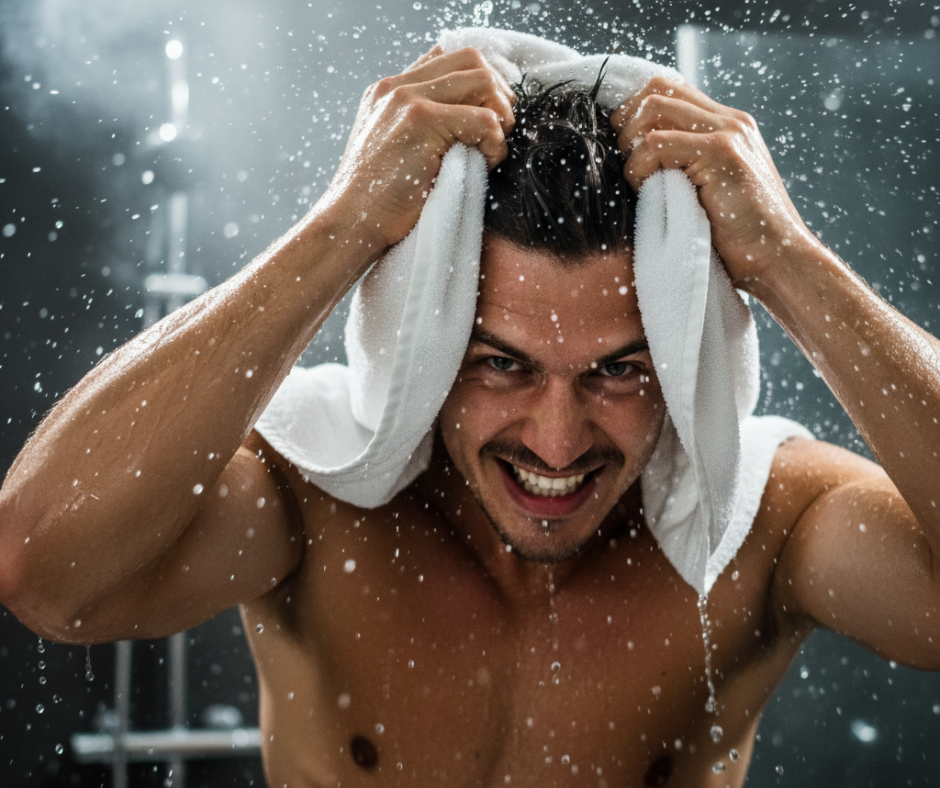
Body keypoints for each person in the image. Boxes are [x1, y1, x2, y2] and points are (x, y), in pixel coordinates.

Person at [1, 42, 939, 788]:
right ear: (431, 342)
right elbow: (40, 569)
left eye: (618, 372)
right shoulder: (313, 496)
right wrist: (344, 224)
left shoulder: (765, 526)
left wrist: (788, 258)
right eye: (502, 364)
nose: (557, 442)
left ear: (685, 362)